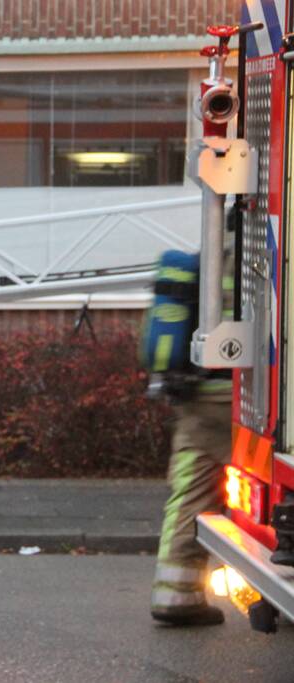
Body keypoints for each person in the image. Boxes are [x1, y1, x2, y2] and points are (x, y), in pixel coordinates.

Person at [150, 246, 235, 627]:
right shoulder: (267, 253)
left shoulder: (209, 252)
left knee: (190, 492)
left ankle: (175, 595)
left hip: (195, 395)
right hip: (239, 396)